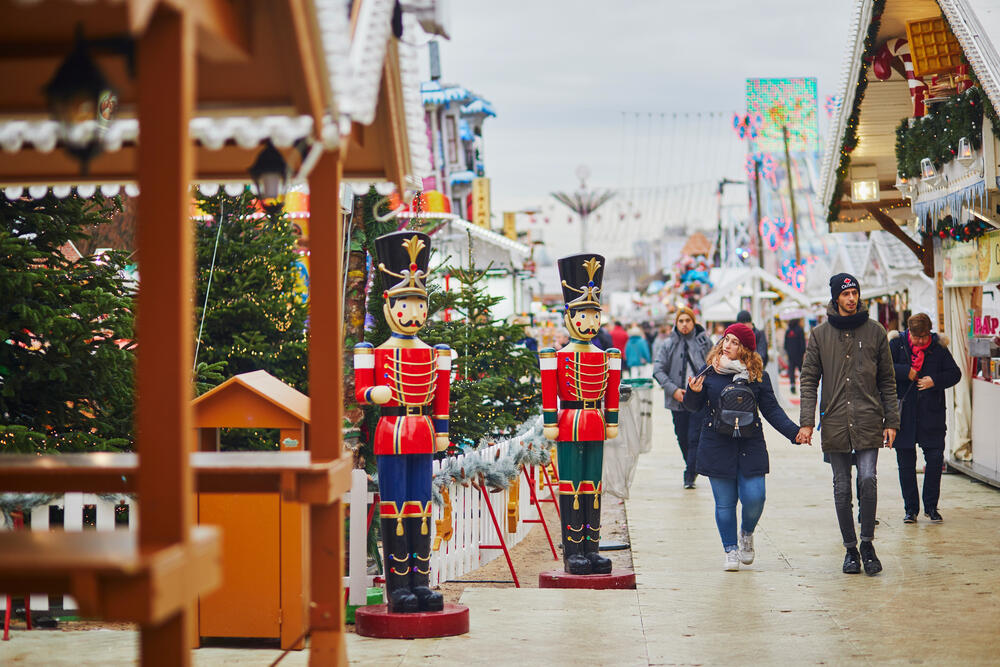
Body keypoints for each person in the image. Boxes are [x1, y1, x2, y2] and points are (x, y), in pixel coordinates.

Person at [353, 231, 450, 613]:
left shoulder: (434, 352)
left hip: (422, 432)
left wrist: (442, 430)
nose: (413, 313)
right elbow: (361, 391)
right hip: (392, 432)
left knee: (420, 506)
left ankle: (420, 582)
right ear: (389, 304)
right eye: (405, 304)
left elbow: (440, 395)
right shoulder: (372, 351)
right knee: (394, 507)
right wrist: (372, 393)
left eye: (419, 305)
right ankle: (399, 587)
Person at [798, 273, 899, 576]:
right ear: (836, 297)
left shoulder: (876, 331)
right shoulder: (820, 334)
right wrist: (806, 422)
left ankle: (867, 544)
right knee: (842, 487)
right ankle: (851, 550)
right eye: (845, 294)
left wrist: (892, 420)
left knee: (867, 479)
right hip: (836, 420)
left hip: (868, 418)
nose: (851, 298)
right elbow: (808, 380)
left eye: (854, 292)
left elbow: (887, 380)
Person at [684, 323, 801, 571]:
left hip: (750, 444)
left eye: (735, 342)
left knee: (755, 497)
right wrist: (693, 392)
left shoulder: (757, 376)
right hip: (717, 444)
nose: (727, 345)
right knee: (725, 503)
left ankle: (746, 533)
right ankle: (730, 549)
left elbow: (772, 410)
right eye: (726, 339)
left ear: (745, 348)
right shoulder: (710, 371)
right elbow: (693, 407)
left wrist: (795, 432)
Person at [539, 253, 621, 575]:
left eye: (594, 315)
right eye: (583, 315)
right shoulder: (556, 356)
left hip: (595, 423)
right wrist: (550, 421)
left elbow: (611, 390)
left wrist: (612, 420)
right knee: (571, 485)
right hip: (570, 422)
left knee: (593, 485)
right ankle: (573, 550)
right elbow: (549, 392)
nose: (590, 322)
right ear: (569, 317)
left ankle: (592, 548)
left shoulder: (606, 355)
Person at [888, 313, 961, 523]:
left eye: (924, 337)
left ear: (929, 332)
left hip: (932, 414)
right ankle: (910, 509)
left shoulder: (938, 347)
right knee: (906, 464)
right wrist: (906, 372)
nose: (920, 341)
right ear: (909, 333)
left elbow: (955, 373)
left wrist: (934, 381)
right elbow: (882, 370)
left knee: (935, 460)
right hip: (904, 415)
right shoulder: (897, 344)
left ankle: (931, 507)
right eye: (916, 337)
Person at [653, 306, 713, 488]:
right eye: (681, 321)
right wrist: (673, 390)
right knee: (682, 436)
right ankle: (692, 466)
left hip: (699, 398)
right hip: (677, 399)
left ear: (694, 322)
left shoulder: (704, 342)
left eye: (688, 321)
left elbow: (714, 365)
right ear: (676, 323)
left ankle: (689, 474)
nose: (684, 324)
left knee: (695, 437)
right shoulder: (668, 344)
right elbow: (658, 370)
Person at [784, 318, 806, 394]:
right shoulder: (800, 330)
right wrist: (803, 352)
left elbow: (785, 344)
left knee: (791, 370)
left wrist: (788, 352)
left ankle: (792, 385)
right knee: (802, 370)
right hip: (799, 354)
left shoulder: (788, 330)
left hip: (791, 355)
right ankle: (804, 384)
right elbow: (802, 343)